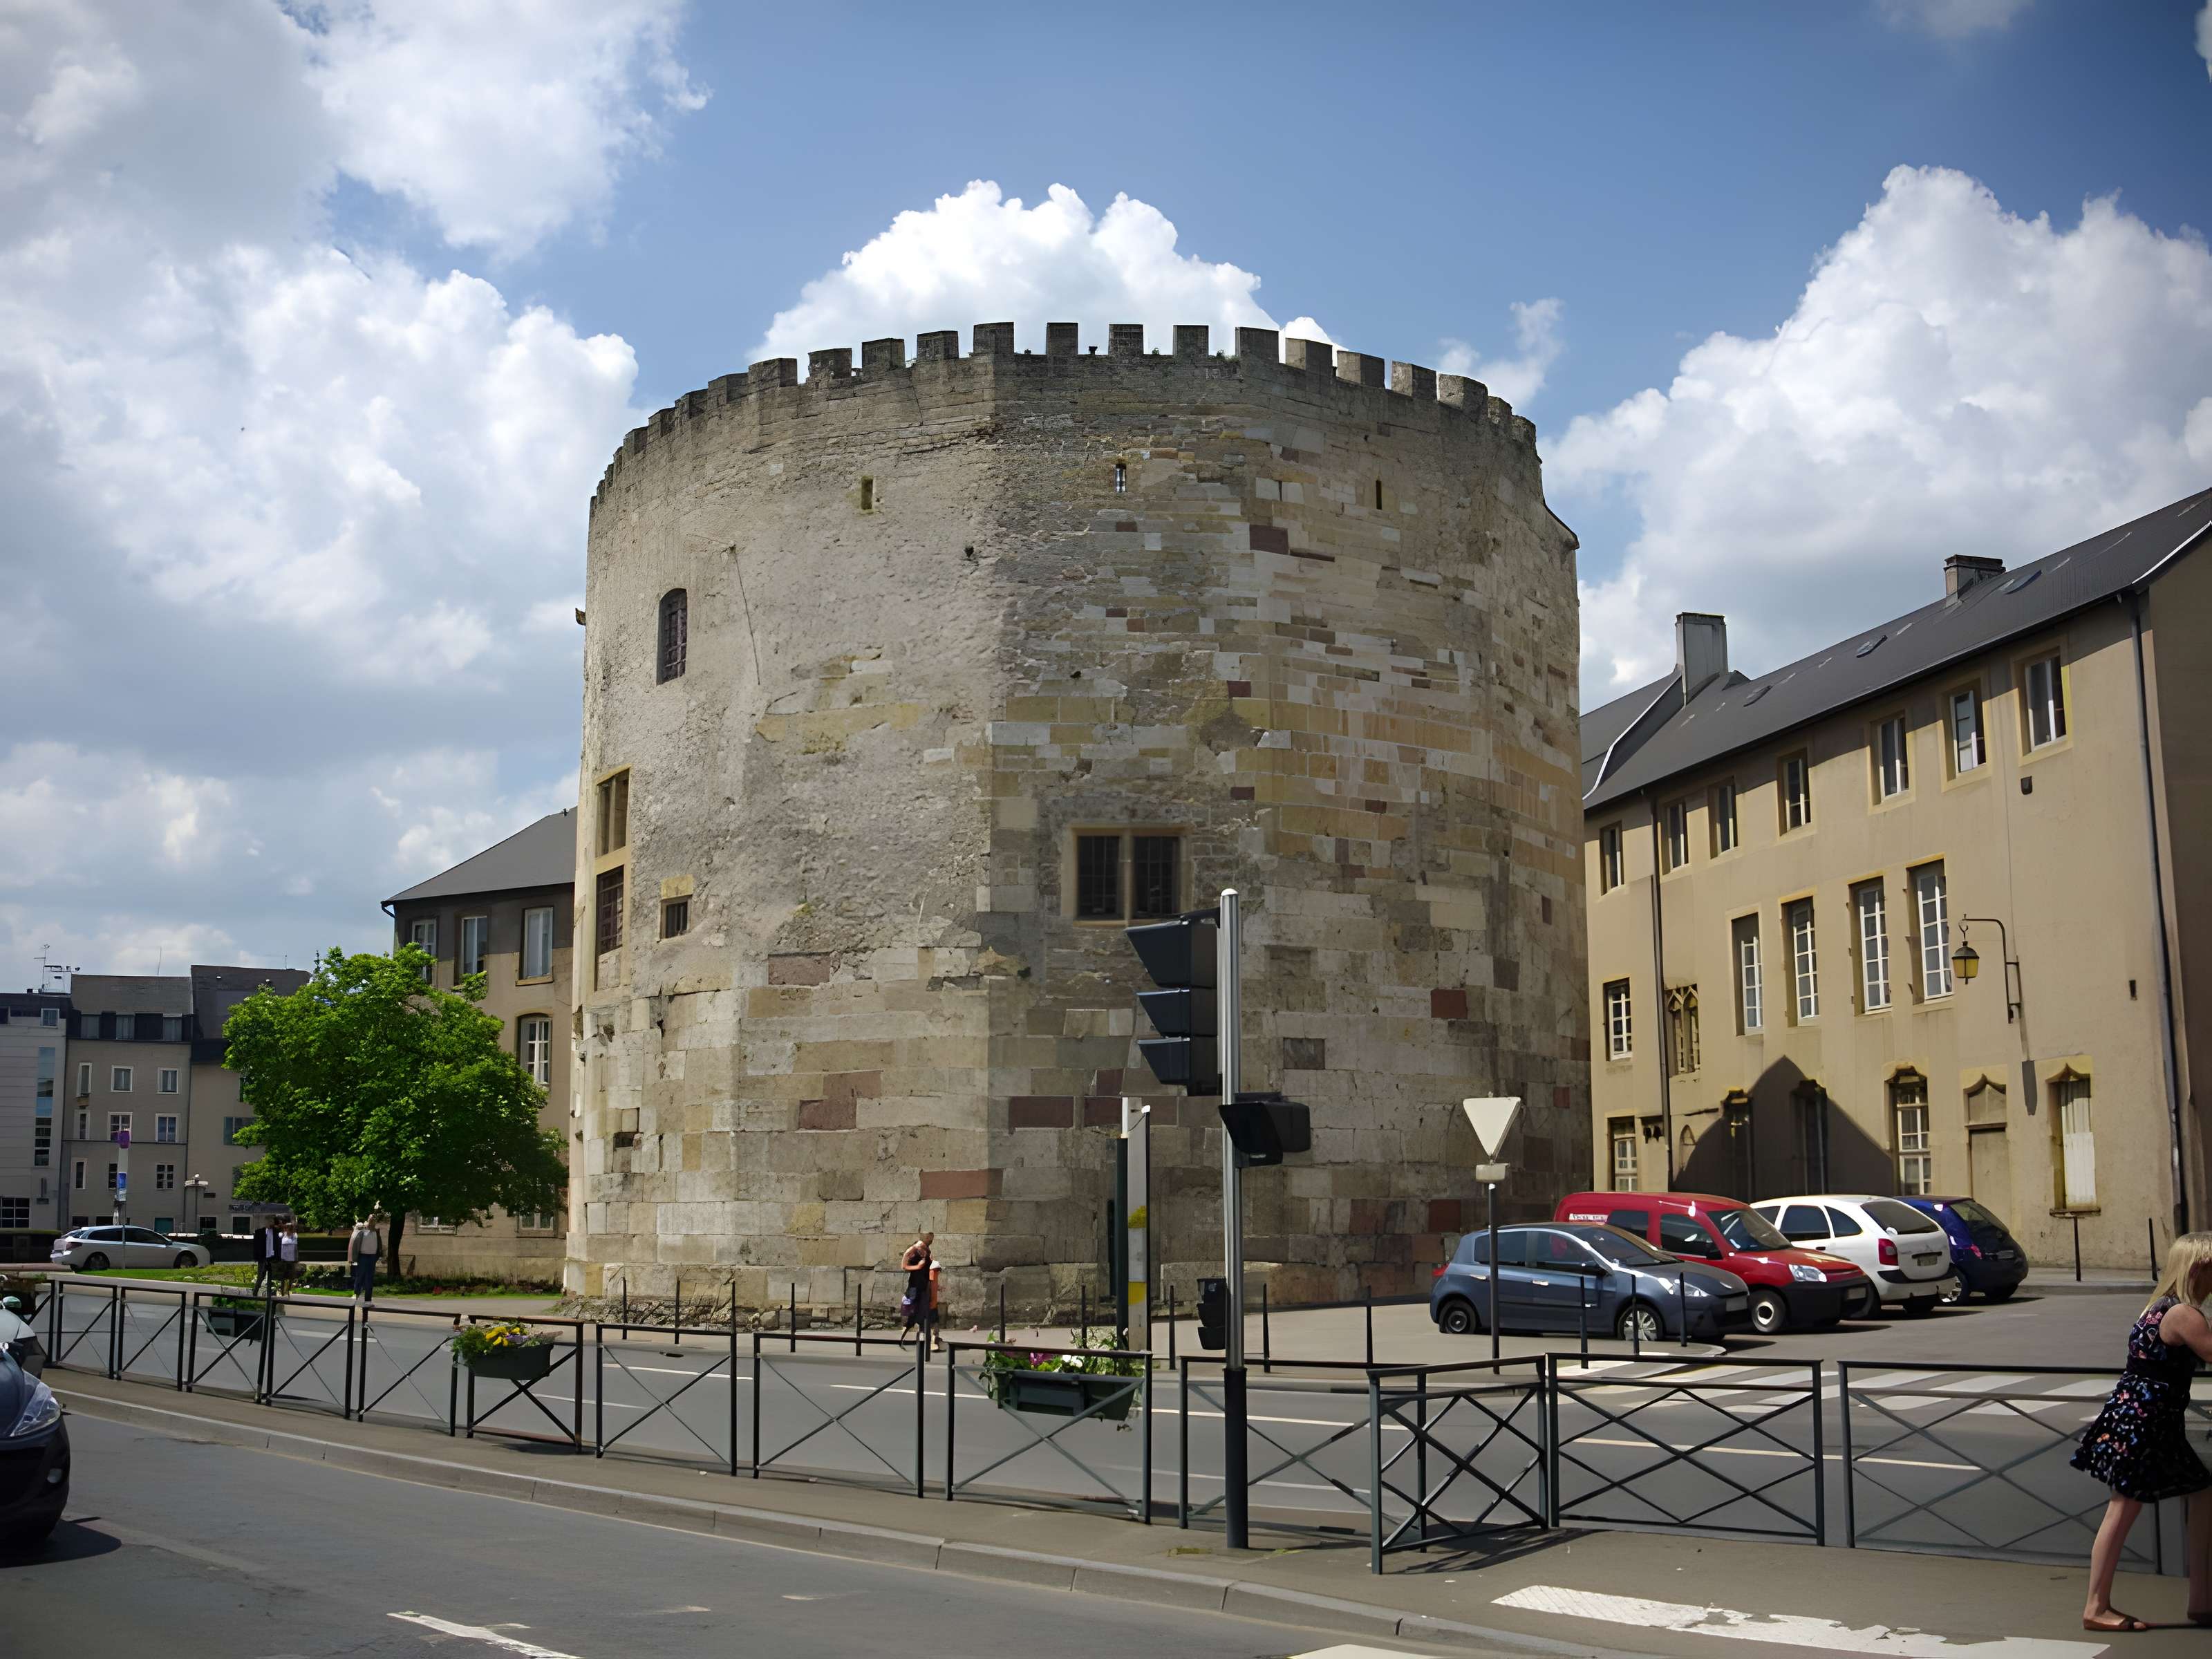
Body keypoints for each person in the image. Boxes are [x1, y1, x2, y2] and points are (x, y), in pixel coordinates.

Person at [2072, 1230, 2212, 1633]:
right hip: (2146, 1424)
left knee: (2201, 1491)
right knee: (2122, 1508)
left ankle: (2202, 1600)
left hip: (2141, 1419)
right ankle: (2096, 1608)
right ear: (2199, 1268)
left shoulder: (2157, 1307)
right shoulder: (2184, 1314)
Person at [897, 1232, 933, 1347]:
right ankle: (903, 1338)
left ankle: (922, 1339)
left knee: (924, 1314)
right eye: (931, 1238)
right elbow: (905, 1266)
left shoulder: (926, 1251)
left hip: (923, 1286)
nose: (932, 1241)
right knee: (910, 1313)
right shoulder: (916, 1251)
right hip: (914, 1287)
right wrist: (918, 1266)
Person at [347, 1215, 382, 1305]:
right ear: (368, 1220)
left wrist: (380, 1255)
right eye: (371, 1219)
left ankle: (368, 1301)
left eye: (374, 1220)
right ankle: (356, 1296)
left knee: (369, 1279)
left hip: (372, 1257)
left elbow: (379, 1243)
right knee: (360, 1276)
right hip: (363, 1256)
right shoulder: (362, 1229)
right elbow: (354, 1238)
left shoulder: (377, 1231)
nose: (372, 1221)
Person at [254, 1216, 283, 1295]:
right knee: (260, 1277)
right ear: (266, 1223)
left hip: (273, 1258)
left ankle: (277, 1294)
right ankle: (255, 1294)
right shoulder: (259, 1232)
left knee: (277, 1277)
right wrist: (257, 1257)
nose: (271, 1223)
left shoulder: (277, 1232)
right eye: (269, 1222)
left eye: (272, 1222)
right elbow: (256, 1246)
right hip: (263, 1258)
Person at [277, 1219, 300, 1291]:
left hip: (292, 1258)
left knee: (291, 1275)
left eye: (291, 1229)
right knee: (284, 1274)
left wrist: (296, 1258)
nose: (289, 1230)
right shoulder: (282, 1235)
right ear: (285, 1229)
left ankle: (289, 1289)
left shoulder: (295, 1236)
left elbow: (296, 1247)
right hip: (284, 1258)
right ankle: (282, 1289)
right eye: (288, 1228)